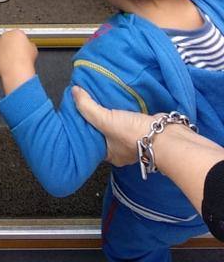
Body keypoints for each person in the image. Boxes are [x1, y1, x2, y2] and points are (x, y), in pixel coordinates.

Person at [0, 0, 224, 260]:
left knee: (128, 248)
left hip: (153, 212)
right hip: (212, 195)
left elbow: (60, 169)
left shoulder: (110, 64)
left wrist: (17, 72)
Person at [72, 87, 224, 242]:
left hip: (140, 207)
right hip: (200, 216)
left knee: (128, 247)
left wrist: (158, 140)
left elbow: (61, 175)